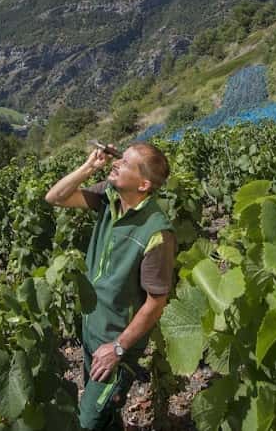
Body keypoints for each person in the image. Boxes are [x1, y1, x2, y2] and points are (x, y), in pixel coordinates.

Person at [45, 142, 176, 430]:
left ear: (143, 184)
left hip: (117, 346)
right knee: (106, 417)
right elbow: (55, 197)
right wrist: (90, 167)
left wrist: (118, 348)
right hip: (92, 331)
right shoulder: (109, 198)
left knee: (88, 421)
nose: (116, 163)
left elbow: (156, 302)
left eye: (125, 163)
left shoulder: (156, 232)